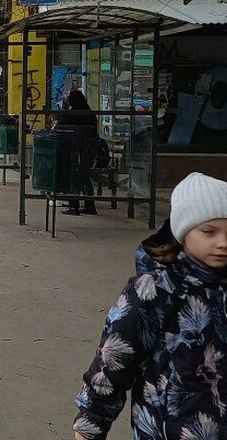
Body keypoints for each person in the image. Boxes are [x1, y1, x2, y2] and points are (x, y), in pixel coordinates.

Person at [73, 172, 227, 440]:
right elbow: (114, 360)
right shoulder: (154, 290)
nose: (223, 242)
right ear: (182, 233)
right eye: (209, 232)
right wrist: (90, 424)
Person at [56, 89, 99, 216]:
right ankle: (89, 205)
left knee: (72, 177)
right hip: (89, 151)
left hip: (74, 151)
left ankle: (74, 206)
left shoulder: (73, 113)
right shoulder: (89, 113)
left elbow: (60, 126)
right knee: (84, 176)